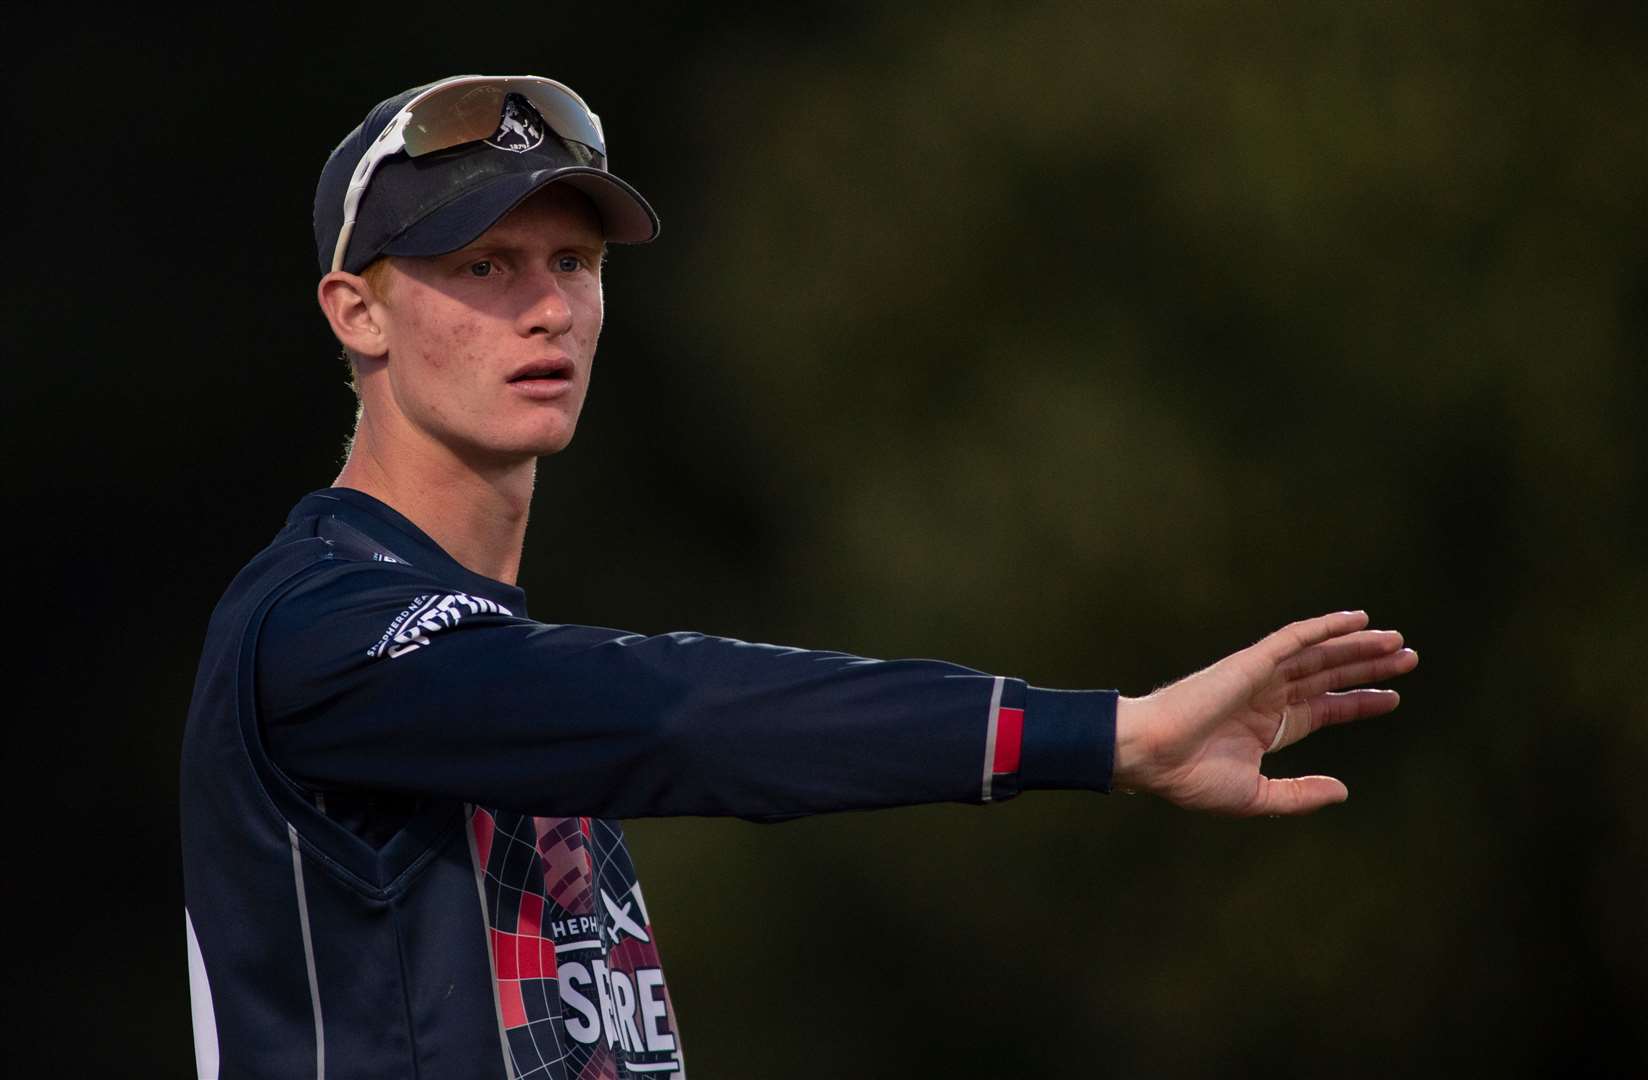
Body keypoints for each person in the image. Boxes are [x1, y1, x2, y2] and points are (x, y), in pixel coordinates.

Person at [180, 74, 1418, 1080]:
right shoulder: (321, 628)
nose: (548, 308)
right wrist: (1109, 734)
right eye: (486, 266)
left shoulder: (477, 649)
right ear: (358, 313)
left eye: (575, 263)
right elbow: (687, 715)